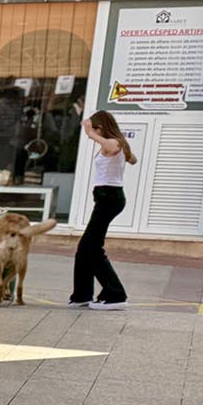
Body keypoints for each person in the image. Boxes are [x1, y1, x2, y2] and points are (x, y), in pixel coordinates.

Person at [73, 110, 134, 310]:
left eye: (96, 128)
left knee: (93, 248)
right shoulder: (118, 143)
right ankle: (82, 295)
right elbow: (133, 159)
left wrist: (91, 133)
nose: (93, 134)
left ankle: (115, 294)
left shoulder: (113, 143)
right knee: (85, 248)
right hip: (106, 197)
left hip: (110, 197)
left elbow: (112, 146)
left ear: (101, 128)